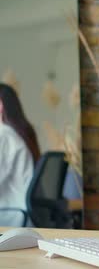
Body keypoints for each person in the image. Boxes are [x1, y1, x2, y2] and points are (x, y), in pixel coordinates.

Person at [0, 83, 39, 226]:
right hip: (22, 216)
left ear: (1, 106)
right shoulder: (19, 133)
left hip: (9, 215)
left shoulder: (3, 135)